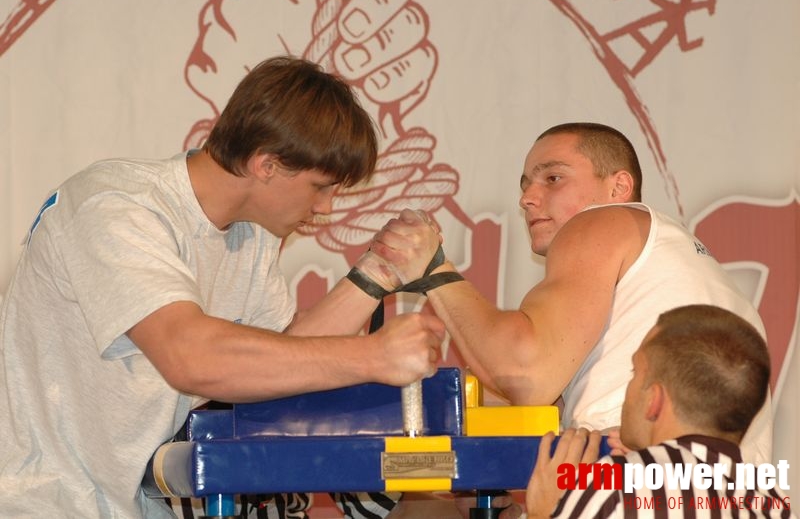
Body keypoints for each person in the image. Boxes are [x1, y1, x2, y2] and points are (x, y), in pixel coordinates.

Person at [0, 56, 449, 518]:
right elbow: (190, 356)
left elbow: (282, 360)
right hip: (41, 501)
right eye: (320, 187)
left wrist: (377, 273)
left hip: (130, 505)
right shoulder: (116, 206)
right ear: (266, 164)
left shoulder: (249, 235)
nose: (328, 208)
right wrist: (374, 356)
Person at [372, 122, 772, 469]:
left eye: (553, 178)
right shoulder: (681, 263)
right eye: (526, 184)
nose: (527, 197)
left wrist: (434, 269)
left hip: (642, 489)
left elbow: (525, 377)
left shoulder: (600, 223)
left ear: (618, 186)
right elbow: (514, 396)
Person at [522, 304, 793, 518]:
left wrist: (544, 511)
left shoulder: (612, 489)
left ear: (654, 400)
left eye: (635, 372)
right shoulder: (773, 503)